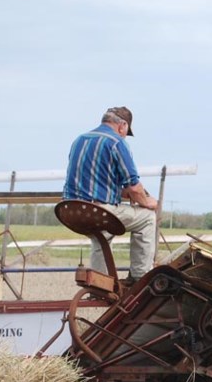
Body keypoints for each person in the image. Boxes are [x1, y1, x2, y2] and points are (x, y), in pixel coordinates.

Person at [62, 106, 158, 283]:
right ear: (122, 125)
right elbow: (135, 187)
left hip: (70, 209)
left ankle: (100, 283)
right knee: (147, 218)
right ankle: (140, 277)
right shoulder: (116, 143)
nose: (124, 135)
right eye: (126, 132)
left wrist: (119, 192)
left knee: (102, 233)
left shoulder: (79, 140)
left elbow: (90, 180)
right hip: (97, 209)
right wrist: (147, 202)